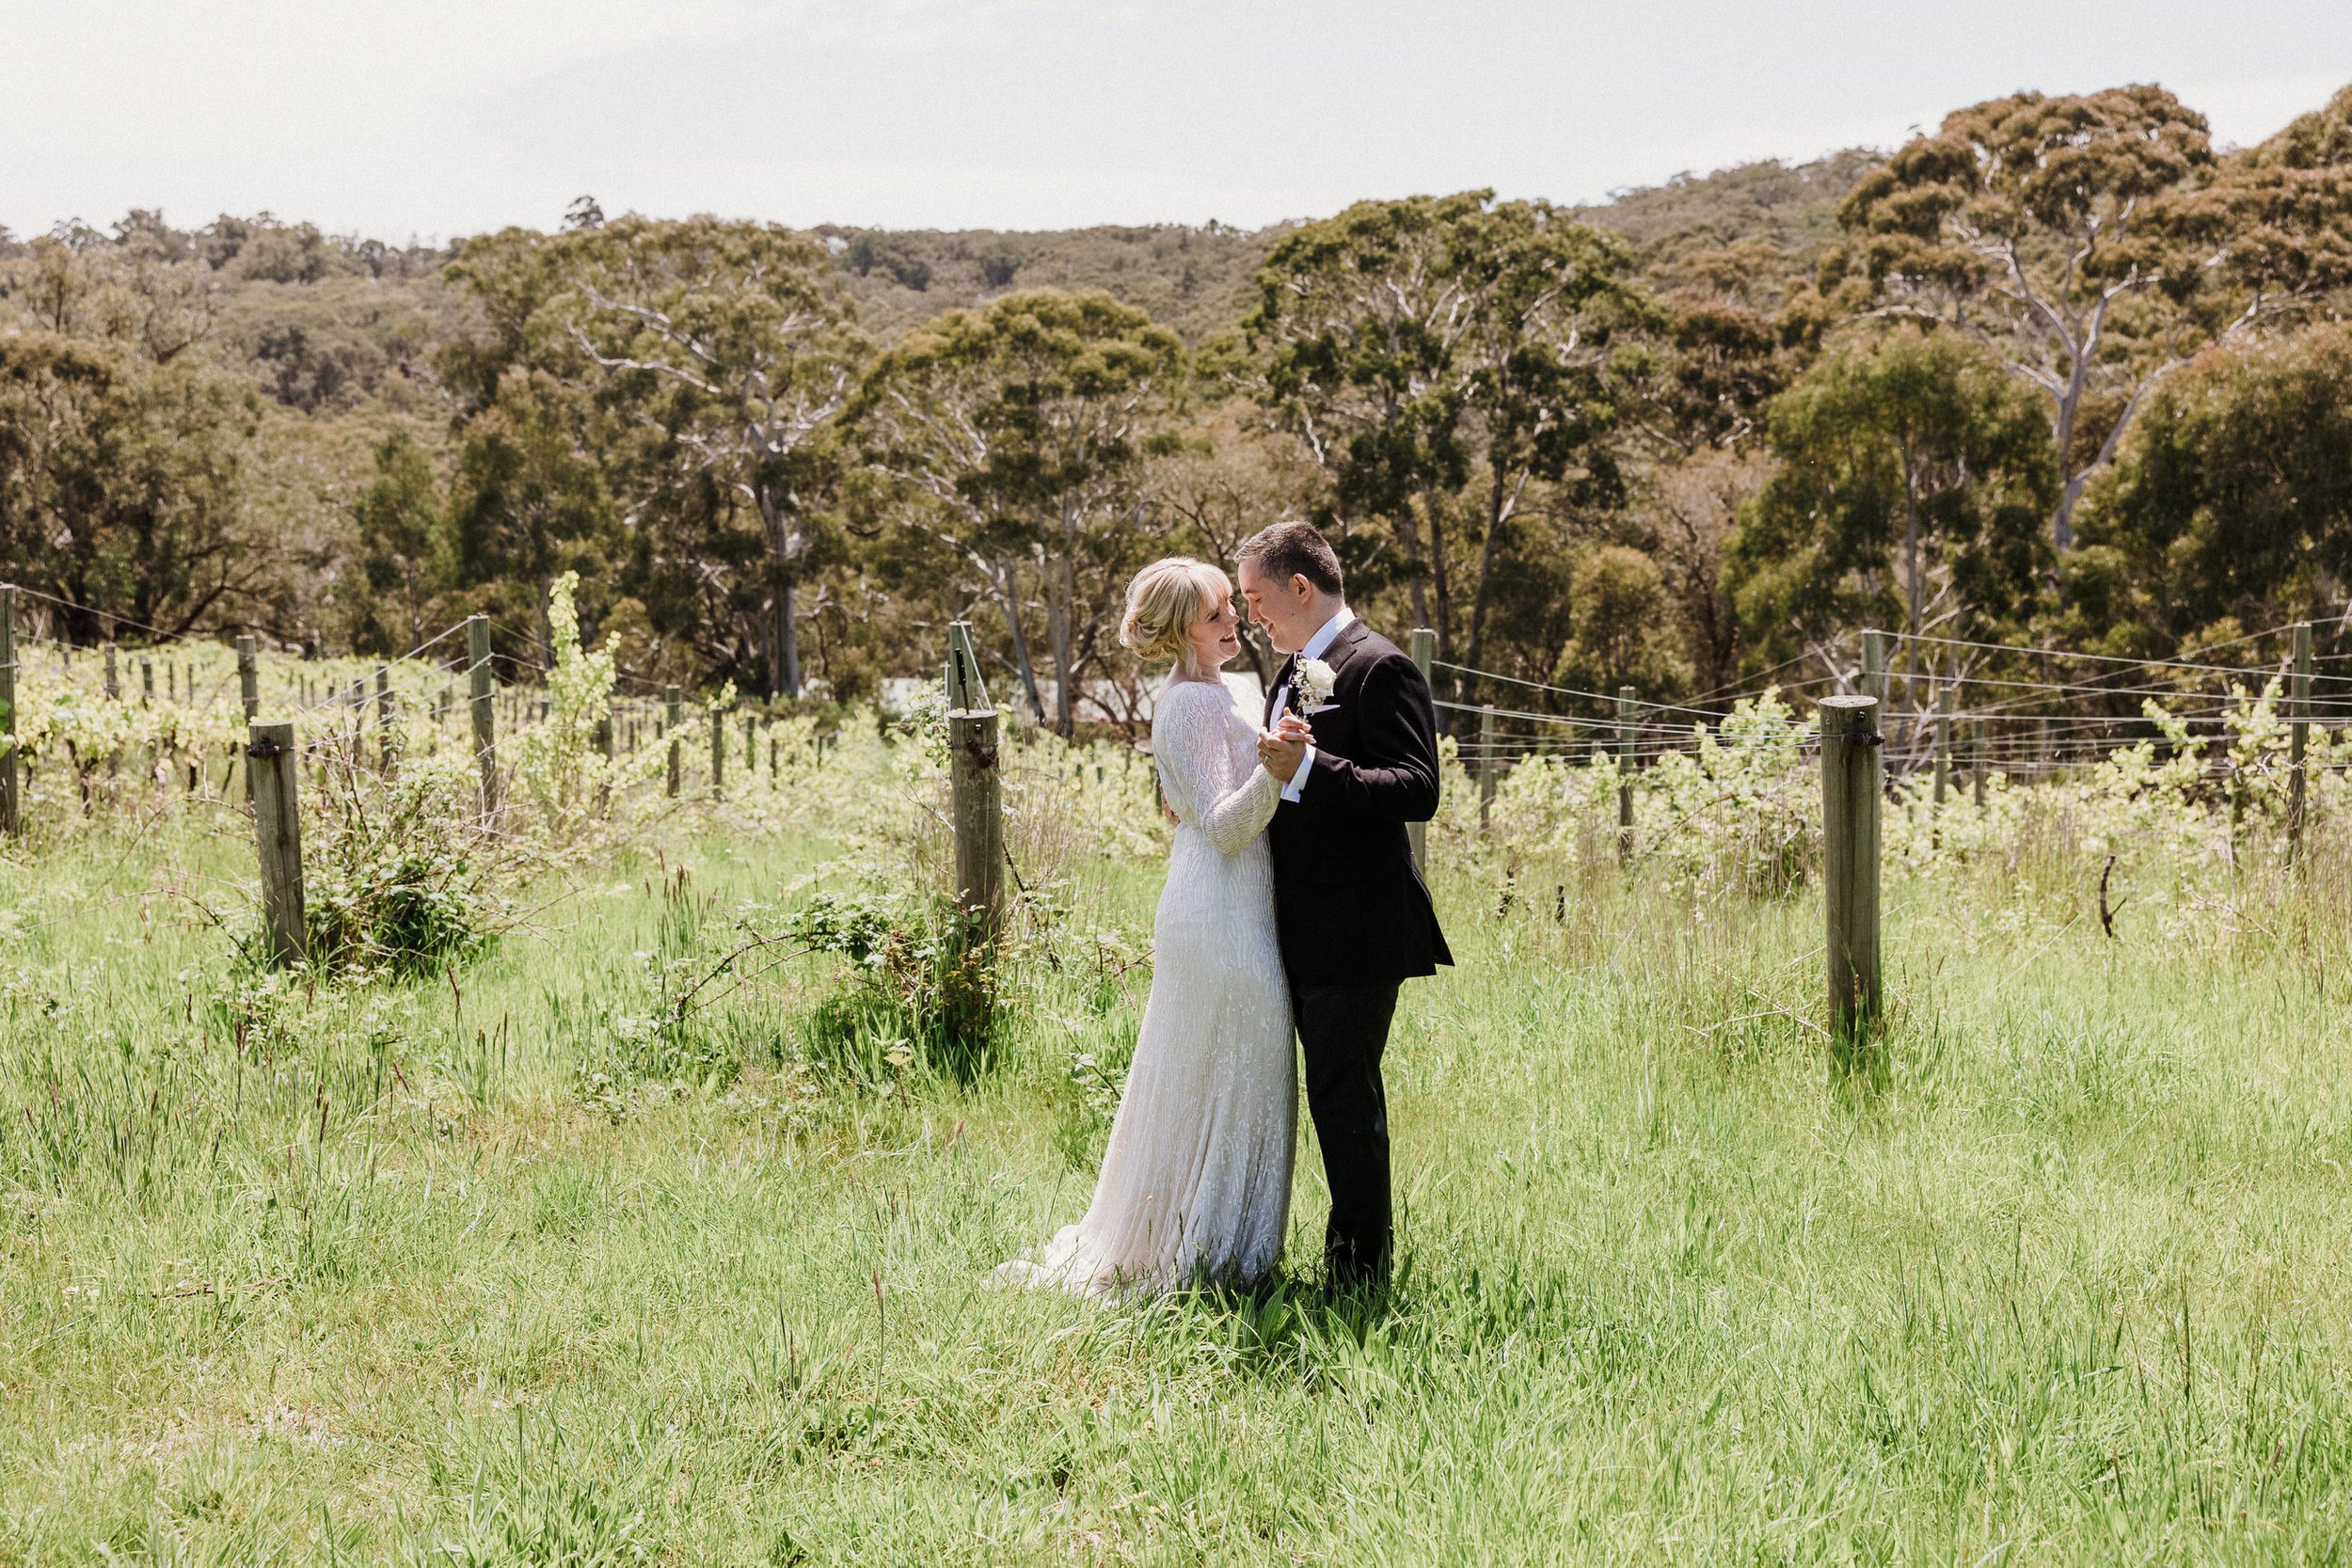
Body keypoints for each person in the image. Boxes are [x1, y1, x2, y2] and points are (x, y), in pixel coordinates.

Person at [994, 558, 1296, 1297]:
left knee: (1252, 1070)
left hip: (1250, 902)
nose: (1235, 624)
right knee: (1211, 1073)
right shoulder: (1186, 706)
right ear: (1178, 633)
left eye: (1232, 609)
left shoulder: (1234, 687)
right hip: (1216, 908)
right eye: (1216, 617)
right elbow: (1225, 827)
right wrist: (1279, 772)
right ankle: (1197, 1249)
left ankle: (1235, 1246)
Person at [1238, 521, 1451, 1291]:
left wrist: (1315, 767)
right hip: (1295, 926)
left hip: (1357, 928)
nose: (1253, 614)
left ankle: (1359, 1278)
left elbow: (1416, 788)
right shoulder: (1295, 668)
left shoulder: (1379, 665)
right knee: (1319, 1098)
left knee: (1343, 1103)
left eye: (1258, 598)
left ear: (1302, 587)